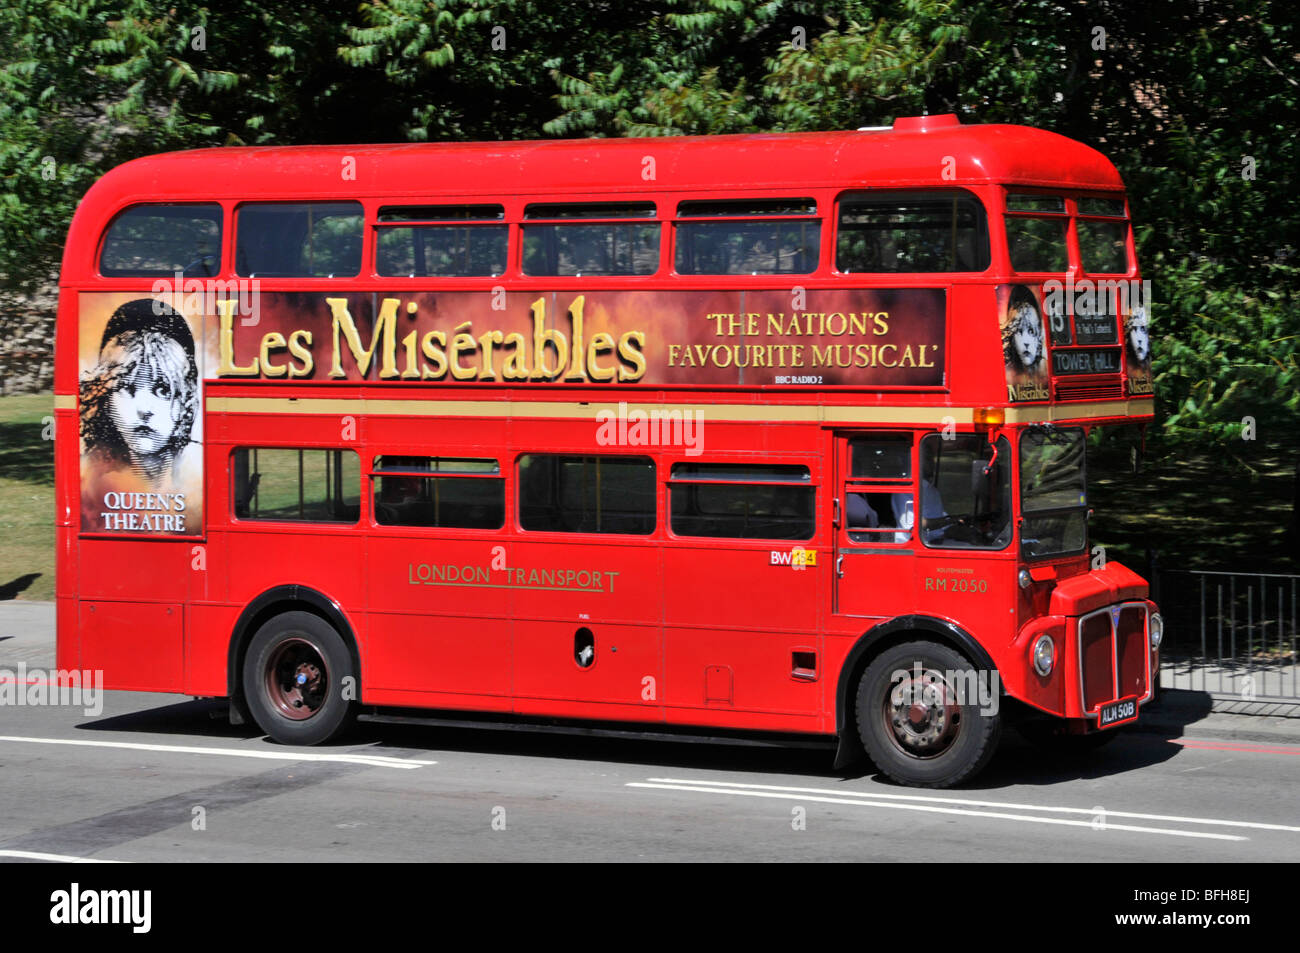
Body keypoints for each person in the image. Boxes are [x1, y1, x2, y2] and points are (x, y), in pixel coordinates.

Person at [80, 298, 201, 493]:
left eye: (162, 390)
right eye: (127, 388)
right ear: (107, 396)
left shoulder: (200, 472)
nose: (144, 410)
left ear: (186, 400)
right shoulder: (91, 477)